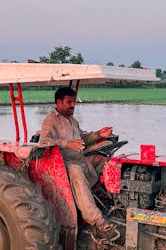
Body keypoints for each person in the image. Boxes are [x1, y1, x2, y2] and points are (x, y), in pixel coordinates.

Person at [39, 87, 120, 242]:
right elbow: (44, 141)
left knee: (105, 151)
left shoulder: (72, 120)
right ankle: (97, 220)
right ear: (59, 102)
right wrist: (66, 144)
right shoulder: (50, 120)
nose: (72, 105)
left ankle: (106, 194)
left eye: (74, 102)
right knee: (76, 170)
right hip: (64, 165)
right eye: (69, 102)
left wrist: (98, 134)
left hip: (80, 159)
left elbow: (82, 139)